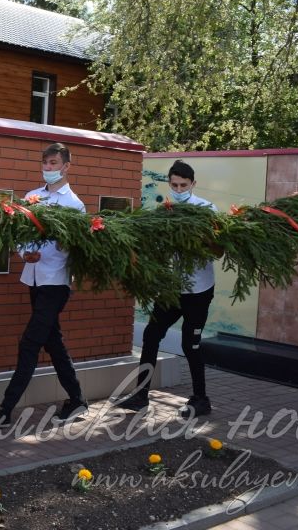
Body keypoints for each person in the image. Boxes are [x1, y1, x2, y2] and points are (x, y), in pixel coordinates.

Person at [0, 142, 89, 428]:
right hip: (33, 276)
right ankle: (77, 399)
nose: (48, 168)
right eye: (45, 163)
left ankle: (5, 409)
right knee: (52, 342)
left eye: (54, 163)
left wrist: (64, 243)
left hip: (55, 282)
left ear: (66, 166)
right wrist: (23, 253)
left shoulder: (74, 204)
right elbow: (20, 233)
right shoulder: (32, 197)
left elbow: (75, 246)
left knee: (30, 343)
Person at [117, 160, 216, 418]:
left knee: (190, 344)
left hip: (198, 290)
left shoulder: (207, 209)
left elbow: (219, 249)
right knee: (151, 335)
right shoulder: (164, 210)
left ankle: (201, 399)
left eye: (184, 185)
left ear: (193, 184)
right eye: (174, 185)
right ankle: (140, 395)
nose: (179, 188)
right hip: (172, 288)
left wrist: (197, 239)